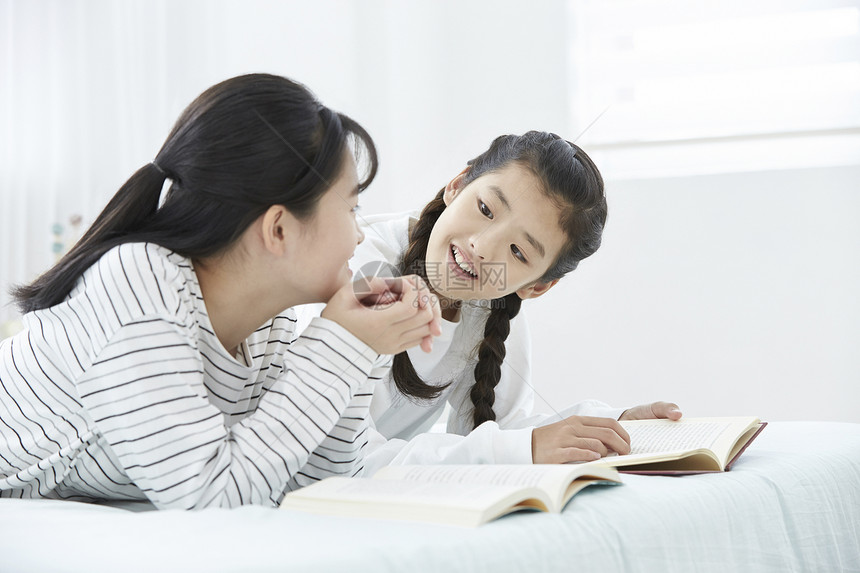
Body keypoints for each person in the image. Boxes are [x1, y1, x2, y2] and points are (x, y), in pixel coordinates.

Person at [0, 73, 441, 509]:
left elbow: (312, 479)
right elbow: (210, 497)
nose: (359, 235)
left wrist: (364, 346)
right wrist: (340, 345)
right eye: (352, 207)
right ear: (279, 228)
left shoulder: (268, 327)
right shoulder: (139, 285)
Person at [349, 131, 682, 475]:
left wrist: (614, 425)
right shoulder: (362, 269)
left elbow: (500, 429)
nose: (481, 246)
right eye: (485, 209)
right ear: (458, 184)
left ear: (537, 286)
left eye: (518, 252)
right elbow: (345, 459)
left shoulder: (491, 302)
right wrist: (525, 447)